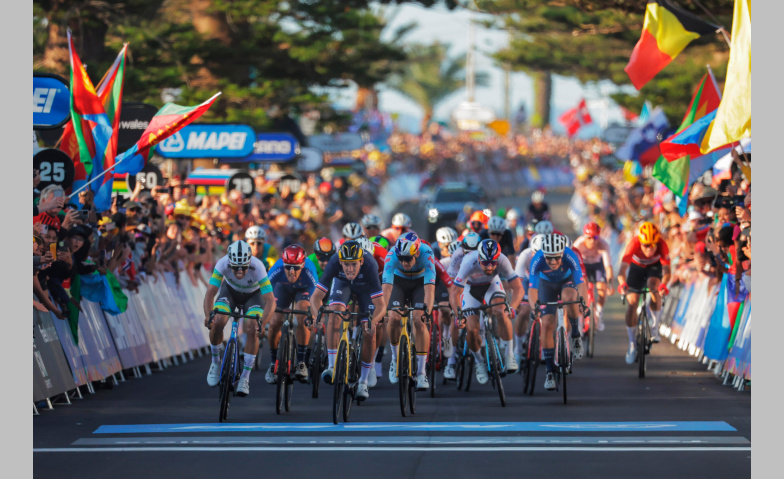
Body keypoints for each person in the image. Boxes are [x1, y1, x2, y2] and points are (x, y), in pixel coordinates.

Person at [309, 241, 387, 402]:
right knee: (334, 314)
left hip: (366, 289)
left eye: (353, 264)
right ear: (340, 262)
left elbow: (381, 306)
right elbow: (315, 297)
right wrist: (318, 317)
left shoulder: (370, 265)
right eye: (346, 265)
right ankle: (332, 366)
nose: (349, 269)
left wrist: (374, 322)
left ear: (361, 261)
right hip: (342, 284)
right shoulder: (334, 262)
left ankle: (364, 381)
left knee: (369, 331)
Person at [203, 240, 276, 397]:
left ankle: (245, 377)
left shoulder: (258, 266)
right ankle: (216, 362)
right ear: (230, 261)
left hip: (253, 296)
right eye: (236, 267)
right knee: (218, 321)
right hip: (229, 292)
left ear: (249, 261)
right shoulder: (222, 263)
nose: (240, 271)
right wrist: (208, 315)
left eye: (244, 266)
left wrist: (263, 323)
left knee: (252, 327)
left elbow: (270, 300)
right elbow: (210, 292)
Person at [449, 239, 524, 383]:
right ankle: (479, 362)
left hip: (492, 285)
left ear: (497, 259)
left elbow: (518, 288)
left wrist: (512, 308)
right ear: (478, 258)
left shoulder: (502, 260)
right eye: (485, 263)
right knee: (472, 330)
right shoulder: (468, 262)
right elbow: (455, 292)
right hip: (470, 289)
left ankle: (509, 355)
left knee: (501, 311)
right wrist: (459, 314)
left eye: (493, 263)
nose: (489, 267)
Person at [528, 233, 588, 391]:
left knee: (570, 297)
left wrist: (584, 303)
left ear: (562, 254)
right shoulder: (537, 260)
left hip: (566, 282)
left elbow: (581, 284)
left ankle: (575, 335)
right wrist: (535, 308)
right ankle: (549, 371)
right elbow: (532, 290)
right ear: (544, 255)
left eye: (556, 258)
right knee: (547, 323)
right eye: (549, 258)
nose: (553, 261)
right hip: (546, 285)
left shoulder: (571, 255)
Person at [382, 232, 436, 391]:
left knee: (419, 320)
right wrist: (383, 311)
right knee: (393, 317)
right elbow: (386, 288)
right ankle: (394, 358)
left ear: (417, 253)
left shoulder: (426, 253)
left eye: (408, 259)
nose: (404, 262)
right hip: (399, 283)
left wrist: (427, 311)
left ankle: (421, 372)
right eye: (401, 259)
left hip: (420, 283)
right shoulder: (392, 255)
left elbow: (430, 290)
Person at [263, 244, 319, 384]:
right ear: (283, 264)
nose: (292, 272)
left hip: (304, 290)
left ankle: (301, 362)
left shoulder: (309, 271)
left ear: (303, 265)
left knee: (303, 317)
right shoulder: (277, 269)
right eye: (288, 267)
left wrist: (313, 317)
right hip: (282, 288)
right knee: (275, 321)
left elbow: (316, 299)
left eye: (296, 267)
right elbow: (264, 294)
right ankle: (272, 363)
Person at [617, 222, 671, 365]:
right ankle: (632, 343)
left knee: (653, 287)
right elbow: (622, 270)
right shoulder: (633, 244)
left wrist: (663, 285)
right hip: (636, 268)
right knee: (632, 303)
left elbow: (667, 271)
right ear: (640, 242)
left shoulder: (662, 244)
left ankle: (654, 328)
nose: (649, 248)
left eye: (652, 245)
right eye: (645, 245)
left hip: (654, 268)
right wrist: (622, 284)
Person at [571, 222, 614, 332]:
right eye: (589, 238)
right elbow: (572, 262)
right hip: (582, 265)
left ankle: (598, 312)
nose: (592, 241)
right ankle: (580, 320)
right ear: (584, 236)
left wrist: (610, 284)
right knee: (580, 291)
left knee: (602, 290)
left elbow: (608, 267)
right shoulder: (578, 244)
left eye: (595, 237)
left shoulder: (604, 245)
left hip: (597, 265)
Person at [513, 233, 544, 365]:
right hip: (526, 281)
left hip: (544, 282)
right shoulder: (525, 255)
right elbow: (517, 282)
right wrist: (517, 301)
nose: (538, 256)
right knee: (524, 311)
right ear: (531, 250)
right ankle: (518, 348)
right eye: (535, 253)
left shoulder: (553, 256)